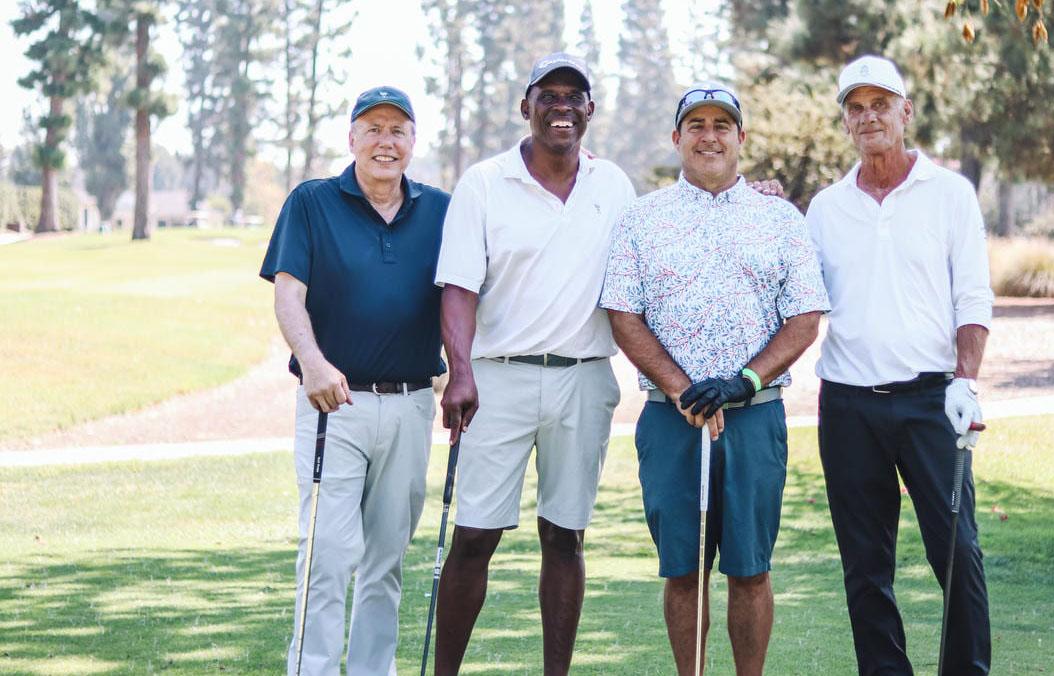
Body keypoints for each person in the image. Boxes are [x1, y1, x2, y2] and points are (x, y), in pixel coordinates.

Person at [600, 82, 829, 675]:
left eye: (721, 124)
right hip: (670, 420)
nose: (709, 135)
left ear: (740, 138)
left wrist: (744, 381)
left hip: (755, 417)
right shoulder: (641, 219)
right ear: (677, 138)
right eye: (695, 125)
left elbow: (805, 318)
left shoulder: (778, 218)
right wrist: (682, 388)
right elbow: (623, 315)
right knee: (683, 568)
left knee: (750, 568)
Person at [431, 52, 637, 675]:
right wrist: (460, 372)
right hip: (497, 380)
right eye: (548, 96)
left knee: (565, 535)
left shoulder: (615, 187)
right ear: (526, 107)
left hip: (583, 378)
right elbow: (458, 288)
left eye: (575, 97)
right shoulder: (485, 182)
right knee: (474, 535)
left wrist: (757, 192)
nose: (562, 108)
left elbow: (654, 261)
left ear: (590, 112)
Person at [806, 55, 994, 675]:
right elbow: (797, 296)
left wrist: (967, 378)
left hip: (932, 401)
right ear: (845, 123)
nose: (868, 117)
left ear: (905, 111)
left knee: (958, 552)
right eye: (855, 108)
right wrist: (765, 203)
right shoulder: (826, 208)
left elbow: (972, 297)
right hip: (849, 404)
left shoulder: (948, 194)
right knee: (865, 567)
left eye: (880, 104)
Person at [260, 86, 449, 676]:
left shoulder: (442, 209)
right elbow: (289, 292)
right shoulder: (312, 202)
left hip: (412, 404)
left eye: (398, 130)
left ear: (413, 142)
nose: (385, 142)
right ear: (351, 139)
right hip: (332, 405)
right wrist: (312, 363)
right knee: (326, 556)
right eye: (373, 129)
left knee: (386, 561)